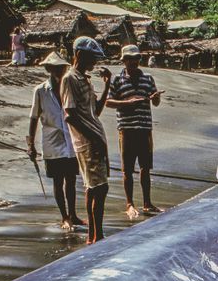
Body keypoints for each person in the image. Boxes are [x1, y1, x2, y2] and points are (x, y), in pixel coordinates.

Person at [61, 36, 111, 244]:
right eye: (91, 58)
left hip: (95, 137)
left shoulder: (84, 79)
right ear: (79, 55)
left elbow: (95, 111)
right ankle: (97, 235)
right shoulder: (70, 79)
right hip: (87, 141)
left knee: (93, 187)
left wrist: (107, 85)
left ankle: (93, 235)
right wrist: (93, 138)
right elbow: (70, 115)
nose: (94, 62)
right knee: (100, 187)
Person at [28, 51, 84, 230]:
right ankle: (64, 216)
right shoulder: (40, 91)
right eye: (56, 68)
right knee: (58, 181)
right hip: (52, 142)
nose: (60, 71)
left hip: (71, 139)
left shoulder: (69, 87)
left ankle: (73, 214)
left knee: (71, 180)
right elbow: (34, 118)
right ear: (49, 69)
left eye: (62, 68)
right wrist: (30, 145)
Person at [106, 44, 160, 218]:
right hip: (127, 129)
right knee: (127, 169)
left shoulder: (148, 78)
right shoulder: (117, 79)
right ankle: (129, 203)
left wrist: (156, 98)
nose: (133, 62)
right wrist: (128, 103)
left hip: (144, 129)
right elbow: (108, 102)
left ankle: (147, 203)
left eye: (136, 58)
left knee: (145, 168)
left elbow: (155, 102)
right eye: (129, 59)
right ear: (124, 61)